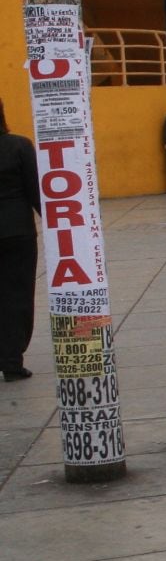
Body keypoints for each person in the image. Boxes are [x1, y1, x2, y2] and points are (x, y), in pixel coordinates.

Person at [0, 98, 39, 380]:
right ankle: (12, 361)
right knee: (18, 295)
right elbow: (36, 190)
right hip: (17, 233)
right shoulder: (19, 146)